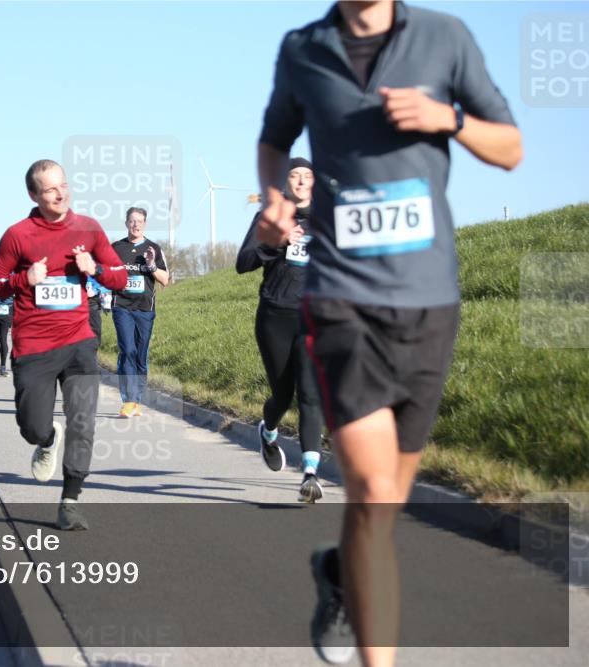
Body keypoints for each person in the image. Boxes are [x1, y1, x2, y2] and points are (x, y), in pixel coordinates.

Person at [255, 3, 522, 664]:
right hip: (340, 296)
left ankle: (341, 571)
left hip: (429, 300)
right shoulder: (303, 49)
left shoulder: (445, 37)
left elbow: (511, 148)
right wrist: (274, 199)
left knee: (385, 505)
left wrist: (449, 118)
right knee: (372, 491)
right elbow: (273, 140)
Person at [0, 159, 127, 530]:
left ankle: (70, 500)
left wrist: (94, 268)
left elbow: (120, 278)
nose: (61, 193)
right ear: (34, 194)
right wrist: (23, 278)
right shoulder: (18, 235)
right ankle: (46, 439)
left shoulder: (89, 229)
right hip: (34, 346)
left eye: (63, 184)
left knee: (83, 421)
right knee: (32, 426)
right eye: (50, 188)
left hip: (79, 341)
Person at [237, 157, 325, 502]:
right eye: (295, 176)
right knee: (283, 395)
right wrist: (278, 242)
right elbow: (243, 263)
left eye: (307, 176)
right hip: (275, 316)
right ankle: (268, 431)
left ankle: (310, 474)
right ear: (286, 183)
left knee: (309, 393)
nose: (301, 182)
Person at [110, 207, 169, 418]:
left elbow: (165, 280)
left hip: (145, 309)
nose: (136, 225)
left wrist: (151, 265)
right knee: (127, 350)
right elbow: (105, 274)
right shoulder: (115, 248)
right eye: (132, 221)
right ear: (126, 223)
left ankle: (137, 400)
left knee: (141, 355)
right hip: (122, 306)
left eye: (140, 221)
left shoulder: (154, 248)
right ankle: (128, 400)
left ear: (145, 224)